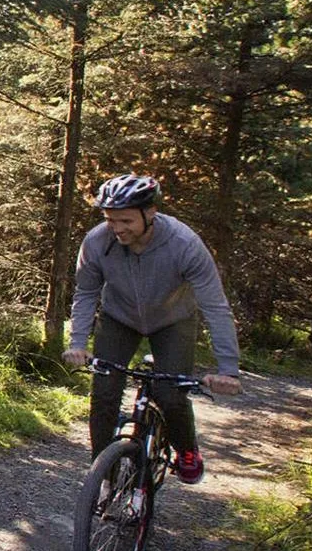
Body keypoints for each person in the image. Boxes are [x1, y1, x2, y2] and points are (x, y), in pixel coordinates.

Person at [62, 173, 243, 483]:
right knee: (104, 393)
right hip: (119, 318)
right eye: (110, 220)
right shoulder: (97, 241)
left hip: (172, 320)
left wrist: (228, 369)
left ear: (151, 213)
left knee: (170, 394)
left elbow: (215, 306)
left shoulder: (184, 244)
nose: (117, 228)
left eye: (126, 220)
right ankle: (103, 476)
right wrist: (78, 342)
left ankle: (186, 449)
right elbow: (86, 293)